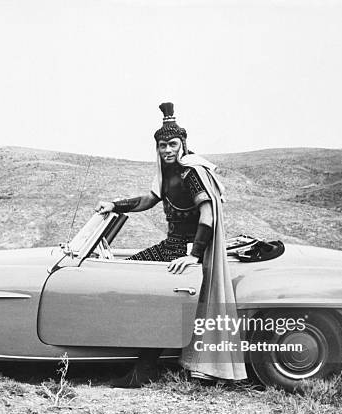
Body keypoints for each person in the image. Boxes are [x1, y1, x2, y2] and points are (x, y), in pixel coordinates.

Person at [95, 102, 247, 387]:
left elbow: (208, 214)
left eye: (172, 143)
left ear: (183, 143)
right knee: (128, 276)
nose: (166, 149)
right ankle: (140, 361)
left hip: (187, 250)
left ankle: (146, 367)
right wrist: (114, 204)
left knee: (151, 295)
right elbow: (148, 200)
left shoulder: (192, 172)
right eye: (162, 145)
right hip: (171, 245)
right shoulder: (166, 174)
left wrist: (194, 255)